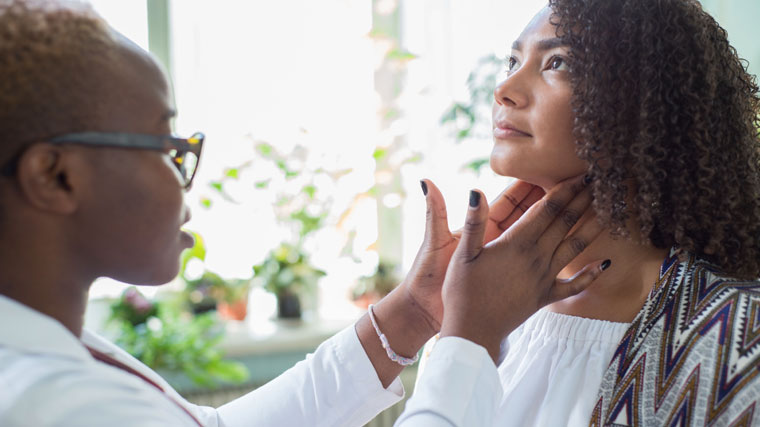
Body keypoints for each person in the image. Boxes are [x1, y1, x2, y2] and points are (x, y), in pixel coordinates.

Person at [0, 1, 610, 426]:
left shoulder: (55, 354)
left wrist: (410, 315)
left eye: (555, 61)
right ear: (55, 176)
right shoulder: (42, 400)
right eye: (167, 146)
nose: (505, 88)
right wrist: (468, 341)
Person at [419, 0, 760, 425]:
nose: (504, 88)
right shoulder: (479, 310)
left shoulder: (737, 337)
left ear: (646, 104)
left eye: (557, 62)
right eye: (512, 60)